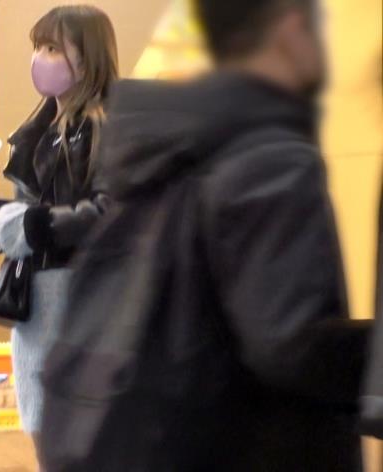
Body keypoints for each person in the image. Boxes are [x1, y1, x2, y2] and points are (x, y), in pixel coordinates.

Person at [40, 0, 372, 470]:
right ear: (290, 28)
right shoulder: (270, 156)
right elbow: (289, 347)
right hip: (249, 447)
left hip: (157, 440)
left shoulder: (157, 145)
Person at [0, 5, 118, 464]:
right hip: (37, 313)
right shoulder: (40, 132)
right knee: (47, 445)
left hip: (85, 309)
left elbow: (108, 213)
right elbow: (26, 217)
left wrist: (32, 226)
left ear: (88, 56)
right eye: (38, 46)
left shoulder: (108, 129)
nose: (40, 57)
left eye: (53, 47)